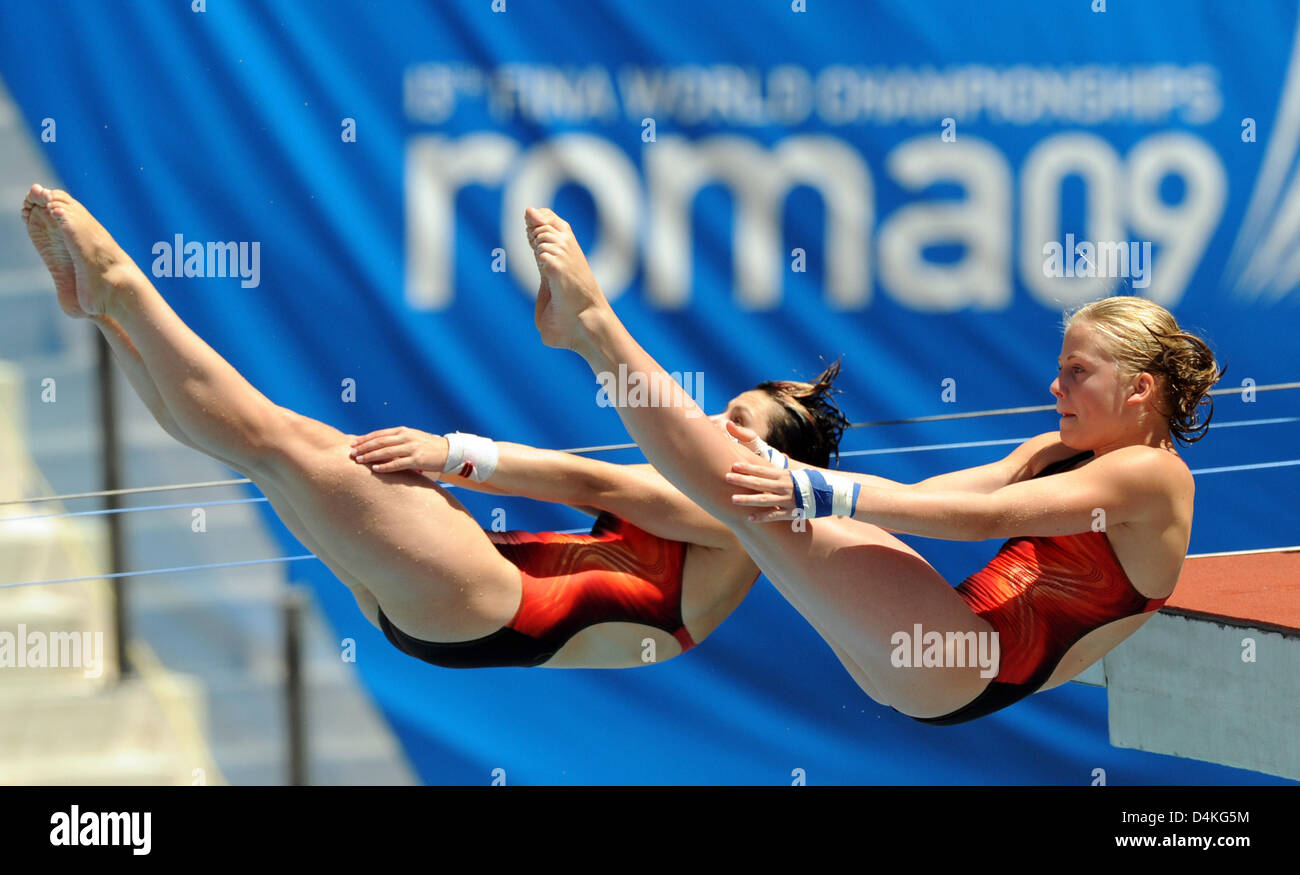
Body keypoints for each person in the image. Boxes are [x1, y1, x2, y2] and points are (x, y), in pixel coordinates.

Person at [19, 184, 848, 670]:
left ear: (776, 463)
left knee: (275, 441)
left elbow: (593, 481)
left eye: (737, 424)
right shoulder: (724, 514)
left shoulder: (746, 516)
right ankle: (106, 316)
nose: (712, 425)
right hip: (461, 600)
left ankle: (123, 287)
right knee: (260, 452)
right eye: (723, 409)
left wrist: (452, 451)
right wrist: (457, 461)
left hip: (489, 599)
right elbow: (577, 477)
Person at [525, 204, 1224, 723]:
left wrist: (820, 490)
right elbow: (930, 496)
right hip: (935, 657)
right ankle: (587, 336)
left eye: (1076, 371)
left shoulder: (1153, 475)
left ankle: (594, 328)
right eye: (1060, 368)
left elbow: (985, 518)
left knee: (742, 495)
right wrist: (800, 477)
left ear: (1140, 388)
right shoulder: (1063, 451)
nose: (1055, 387)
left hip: (964, 659)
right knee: (745, 485)